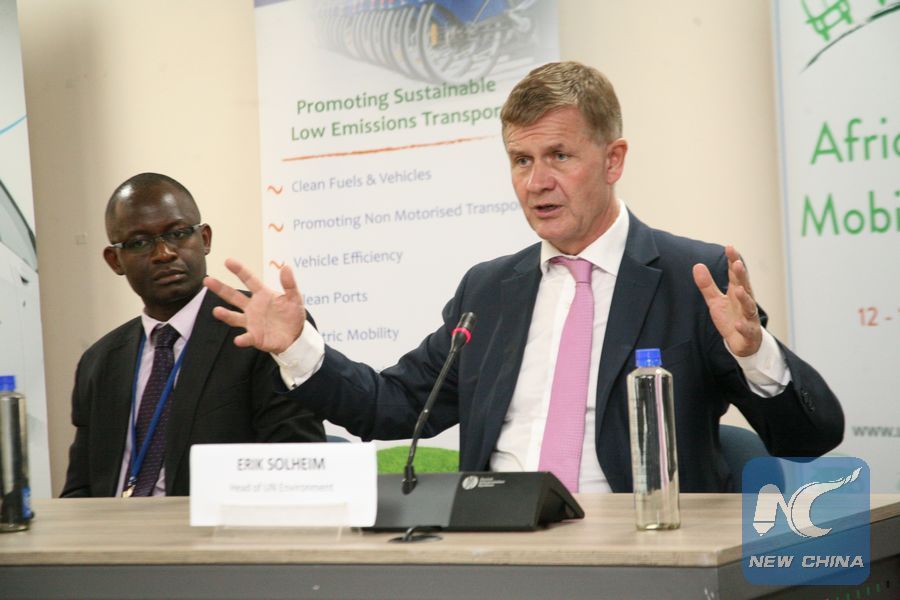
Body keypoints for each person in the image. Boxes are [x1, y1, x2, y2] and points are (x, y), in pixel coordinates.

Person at [204, 62, 843, 493]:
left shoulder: (692, 277)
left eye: (559, 156)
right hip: (501, 547)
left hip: (645, 549)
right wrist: (297, 346)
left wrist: (756, 354)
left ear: (613, 160)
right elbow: (393, 405)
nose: (537, 182)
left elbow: (809, 438)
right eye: (520, 160)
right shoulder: (488, 291)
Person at [62, 173, 325, 498]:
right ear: (115, 260)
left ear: (205, 239)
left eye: (178, 234)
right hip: (111, 526)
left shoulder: (263, 334)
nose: (163, 253)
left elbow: (296, 468)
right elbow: (79, 490)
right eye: (140, 242)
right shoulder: (99, 361)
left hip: (213, 526)